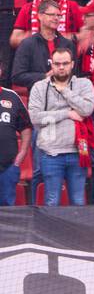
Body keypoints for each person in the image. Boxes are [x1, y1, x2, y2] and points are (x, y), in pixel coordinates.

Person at [10, 0, 76, 90]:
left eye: (59, 15)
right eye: (52, 15)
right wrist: (44, 76)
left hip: (65, 99)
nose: (56, 18)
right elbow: (17, 76)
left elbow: (76, 75)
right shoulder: (27, 44)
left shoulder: (68, 44)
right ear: (40, 16)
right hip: (38, 99)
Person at [0, 77, 30, 205]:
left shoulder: (12, 96)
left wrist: (21, 156)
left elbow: (26, 127)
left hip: (8, 168)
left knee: (7, 214)